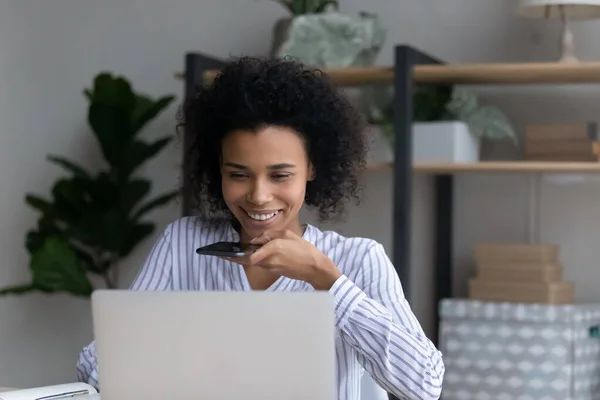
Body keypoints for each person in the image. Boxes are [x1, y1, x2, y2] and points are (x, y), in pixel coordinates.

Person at [76, 56, 444, 400]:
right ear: (217, 169)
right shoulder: (183, 245)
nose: (258, 196)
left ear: (312, 169)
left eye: (280, 175)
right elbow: (94, 368)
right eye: (238, 175)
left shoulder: (359, 260)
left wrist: (328, 281)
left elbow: (424, 386)